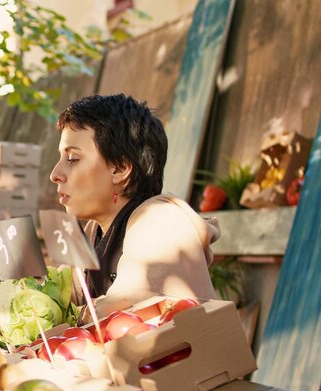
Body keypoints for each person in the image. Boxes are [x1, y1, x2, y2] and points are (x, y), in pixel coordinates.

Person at [49, 94, 220, 318]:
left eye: (72, 159)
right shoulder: (94, 232)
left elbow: (123, 312)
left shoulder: (160, 220)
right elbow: (61, 302)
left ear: (120, 169)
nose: (55, 175)